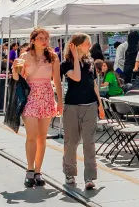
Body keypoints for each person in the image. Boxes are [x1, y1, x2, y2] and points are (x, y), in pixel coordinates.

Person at [12, 28, 63, 188]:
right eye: (41, 38)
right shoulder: (24, 56)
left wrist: (60, 101)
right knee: (31, 136)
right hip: (30, 97)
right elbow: (17, 78)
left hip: (47, 96)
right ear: (33, 40)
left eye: (46, 38)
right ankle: (29, 170)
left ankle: (38, 171)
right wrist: (14, 69)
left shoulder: (53, 57)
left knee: (42, 137)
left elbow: (57, 81)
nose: (44, 40)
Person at [61, 32, 104, 191]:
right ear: (77, 46)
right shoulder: (66, 64)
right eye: (87, 44)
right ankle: (70, 173)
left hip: (90, 105)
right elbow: (77, 77)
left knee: (89, 142)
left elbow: (93, 85)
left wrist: (100, 105)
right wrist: (75, 58)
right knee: (71, 142)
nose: (90, 47)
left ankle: (90, 177)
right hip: (72, 106)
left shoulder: (90, 62)